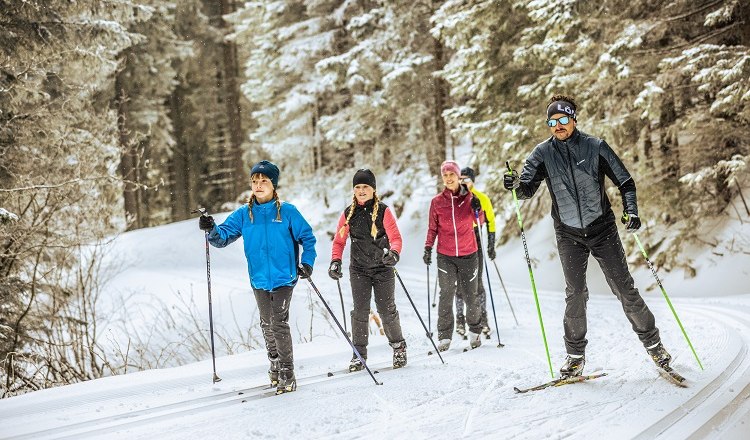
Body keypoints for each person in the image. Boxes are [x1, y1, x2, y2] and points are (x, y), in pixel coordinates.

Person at [503, 94, 672, 378]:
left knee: (624, 289)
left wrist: (631, 211)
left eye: (563, 119)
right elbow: (525, 190)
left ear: (573, 119)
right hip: (568, 233)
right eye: (552, 121)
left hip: (602, 228)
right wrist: (514, 183)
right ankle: (574, 357)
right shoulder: (542, 154)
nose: (558, 126)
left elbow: (626, 182)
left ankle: (654, 345)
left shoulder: (595, 147)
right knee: (576, 293)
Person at [199, 160, 317, 394]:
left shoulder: (288, 212)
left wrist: (307, 263)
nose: (259, 185)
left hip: (285, 277)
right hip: (259, 279)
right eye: (255, 181)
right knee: (267, 323)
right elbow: (221, 238)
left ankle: (287, 372)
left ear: (274, 185)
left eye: (264, 181)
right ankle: (274, 361)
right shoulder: (245, 214)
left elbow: (308, 238)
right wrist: (210, 227)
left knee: (279, 323)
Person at [328, 169, 407, 371]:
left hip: (383, 268)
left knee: (386, 310)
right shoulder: (348, 214)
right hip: (359, 270)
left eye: (365, 187)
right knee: (360, 311)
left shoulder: (383, 211)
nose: (361, 190)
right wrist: (335, 261)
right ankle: (359, 355)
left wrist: (394, 253)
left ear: (373, 189)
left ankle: (398, 347)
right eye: (357, 187)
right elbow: (339, 241)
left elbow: (396, 238)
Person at [424, 160, 483, 351]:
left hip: (469, 253)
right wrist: (427, 247)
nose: (448, 178)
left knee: (470, 295)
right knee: (446, 294)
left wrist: (477, 207)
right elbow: (432, 228)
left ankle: (474, 332)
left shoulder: (470, 197)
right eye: (445, 175)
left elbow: (479, 220)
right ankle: (444, 336)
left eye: (451, 174)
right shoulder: (437, 202)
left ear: (458, 176)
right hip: (445, 255)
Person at [454, 166, 497, 339]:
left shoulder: (482, 198)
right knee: (459, 282)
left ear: (473, 181)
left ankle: (483, 319)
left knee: (477, 281)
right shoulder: (454, 197)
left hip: (476, 239)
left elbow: (491, 221)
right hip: (458, 242)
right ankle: (459, 319)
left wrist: (491, 244)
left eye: (466, 179)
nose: (463, 182)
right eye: (461, 179)